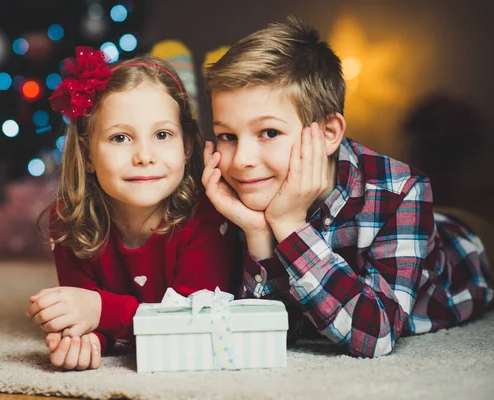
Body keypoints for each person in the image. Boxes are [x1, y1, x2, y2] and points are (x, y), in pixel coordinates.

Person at [202, 17, 494, 358]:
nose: (241, 161)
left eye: (269, 132)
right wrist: (258, 233)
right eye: (227, 136)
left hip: (465, 247)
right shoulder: (234, 194)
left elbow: (377, 334)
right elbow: (280, 331)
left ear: (329, 133)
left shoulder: (403, 191)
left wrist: (290, 226)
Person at [27, 47, 235, 370]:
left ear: (187, 147)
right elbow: (86, 309)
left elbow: (194, 327)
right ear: (88, 156)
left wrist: (101, 311)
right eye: (121, 138)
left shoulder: (206, 218)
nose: (144, 156)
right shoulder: (69, 221)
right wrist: (86, 337)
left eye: (162, 135)